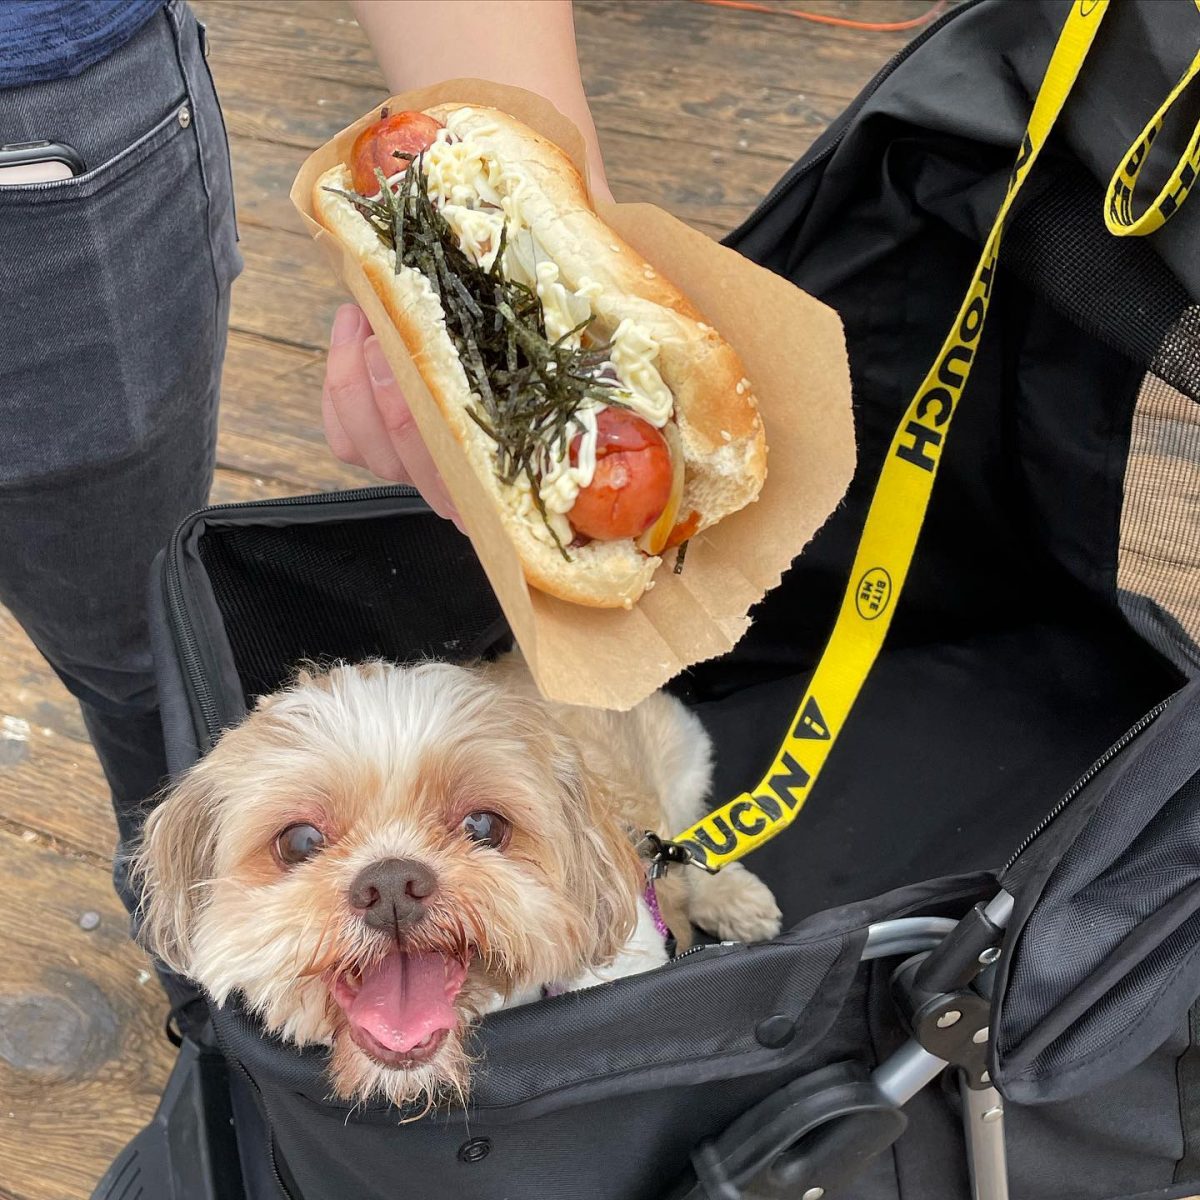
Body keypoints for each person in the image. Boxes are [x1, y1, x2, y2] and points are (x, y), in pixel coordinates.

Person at [0, 0, 607, 968]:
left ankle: (208, 970)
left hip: (32, 125)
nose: (393, 883)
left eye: (481, 827)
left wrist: (557, 253)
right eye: (302, 843)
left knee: (140, 660)